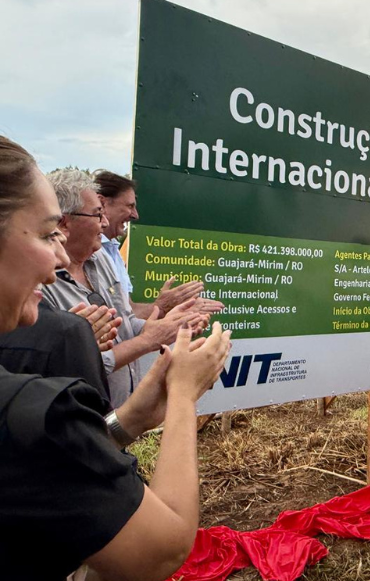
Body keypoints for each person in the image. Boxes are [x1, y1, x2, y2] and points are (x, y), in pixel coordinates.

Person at [0, 135, 232, 580]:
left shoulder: (35, 423)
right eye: (49, 234)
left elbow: (44, 463)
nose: (57, 260)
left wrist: (129, 420)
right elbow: (160, 552)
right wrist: (183, 395)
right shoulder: (26, 407)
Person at [42, 169, 205, 407]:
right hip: (77, 422)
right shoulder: (41, 281)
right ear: (65, 222)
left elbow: (126, 323)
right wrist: (148, 340)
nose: (105, 222)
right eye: (97, 215)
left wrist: (169, 327)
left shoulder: (103, 259)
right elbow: (74, 362)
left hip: (119, 413)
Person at [94, 170, 223, 318]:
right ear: (102, 203)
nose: (136, 215)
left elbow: (128, 312)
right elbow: (112, 320)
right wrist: (161, 308)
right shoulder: (88, 253)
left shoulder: (112, 250)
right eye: (130, 206)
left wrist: (173, 312)